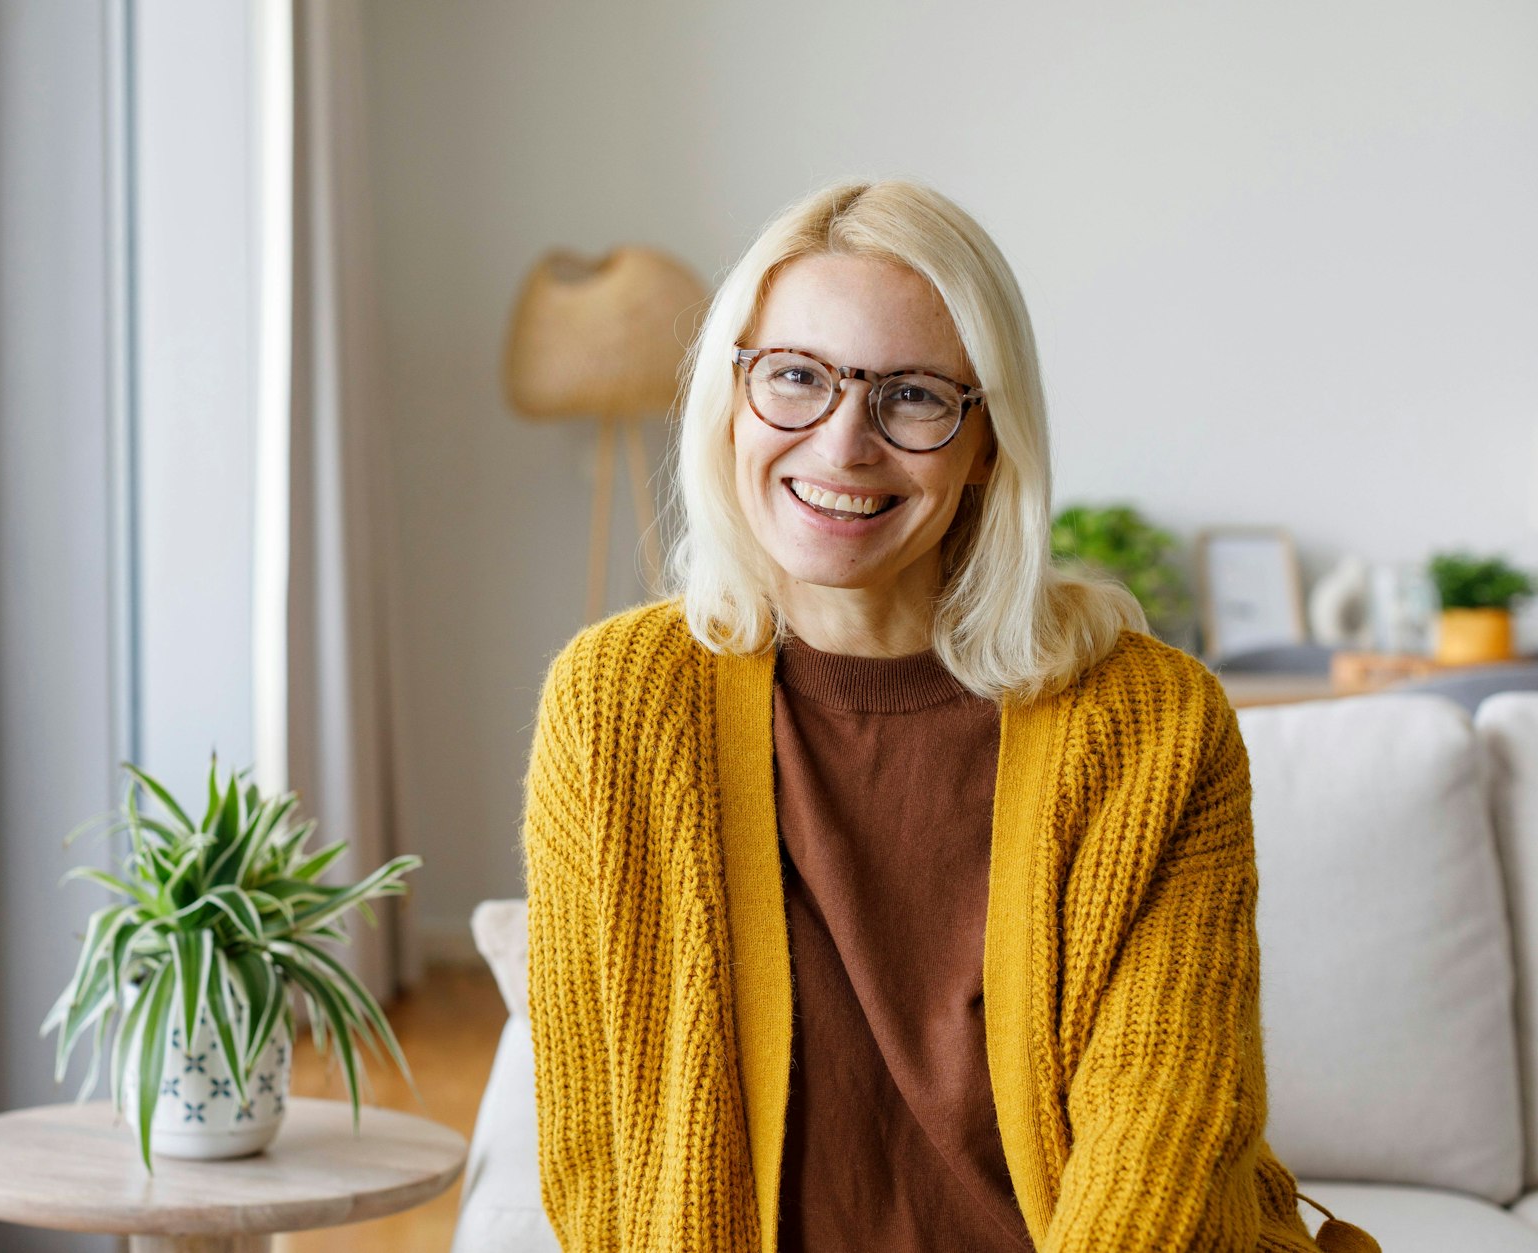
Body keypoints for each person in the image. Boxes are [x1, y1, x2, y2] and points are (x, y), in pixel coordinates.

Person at [520, 178, 1380, 1252]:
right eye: (795, 375)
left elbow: (1162, 1133)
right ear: (732, 400)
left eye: (914, 395)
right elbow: (601, 1154)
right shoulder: (614, 702)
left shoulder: (1151, 721)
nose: (844, 444)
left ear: (987, 444)